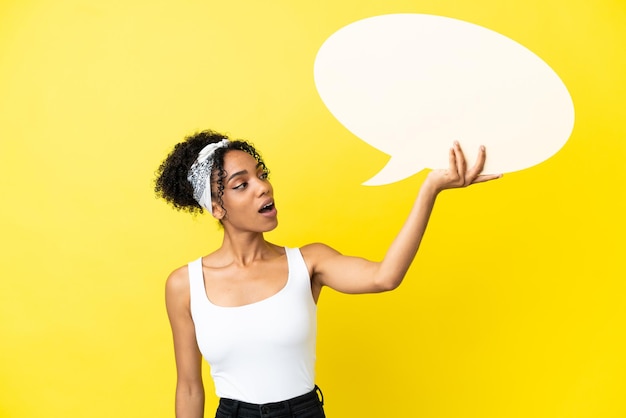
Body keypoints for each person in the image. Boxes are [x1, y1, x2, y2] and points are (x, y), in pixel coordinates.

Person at [155, 129, 501, 418]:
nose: (263, 187)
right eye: (241, 184)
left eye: (262, 174)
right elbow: (188, 386)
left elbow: (385, 277)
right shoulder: (185, 284)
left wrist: (430, 189)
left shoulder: (308, 263)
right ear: (216, 207)